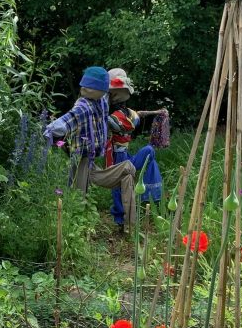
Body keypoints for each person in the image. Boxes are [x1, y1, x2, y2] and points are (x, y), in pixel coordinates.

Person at [44, 66, 138, 233]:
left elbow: (114, 91)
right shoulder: (84, 106)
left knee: (127, 171)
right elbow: (65, 122)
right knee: (78, 200)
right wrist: (49, 133)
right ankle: (73, 235)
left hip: (92, 160)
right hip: (81, 160)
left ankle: (130, 225)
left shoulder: (101, 100)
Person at [104, 68, 168, 228]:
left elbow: (139, 114)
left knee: (149, 150)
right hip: (118, 158)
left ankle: (147, 195)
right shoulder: (123, 116)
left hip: (124, 156)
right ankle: (121, 220)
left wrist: (157, 112)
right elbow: (138, 115)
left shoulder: (123, 115)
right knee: (119, 187)